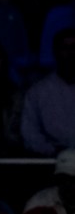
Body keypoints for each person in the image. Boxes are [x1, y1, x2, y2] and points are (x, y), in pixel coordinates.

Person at [20, 27, 75, 157]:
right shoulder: (37, 92)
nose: (70, 53)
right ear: (55, 52)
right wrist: (52, 151)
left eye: (74, 47)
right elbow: (29, 133)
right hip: (51, 164)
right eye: (64, 48)